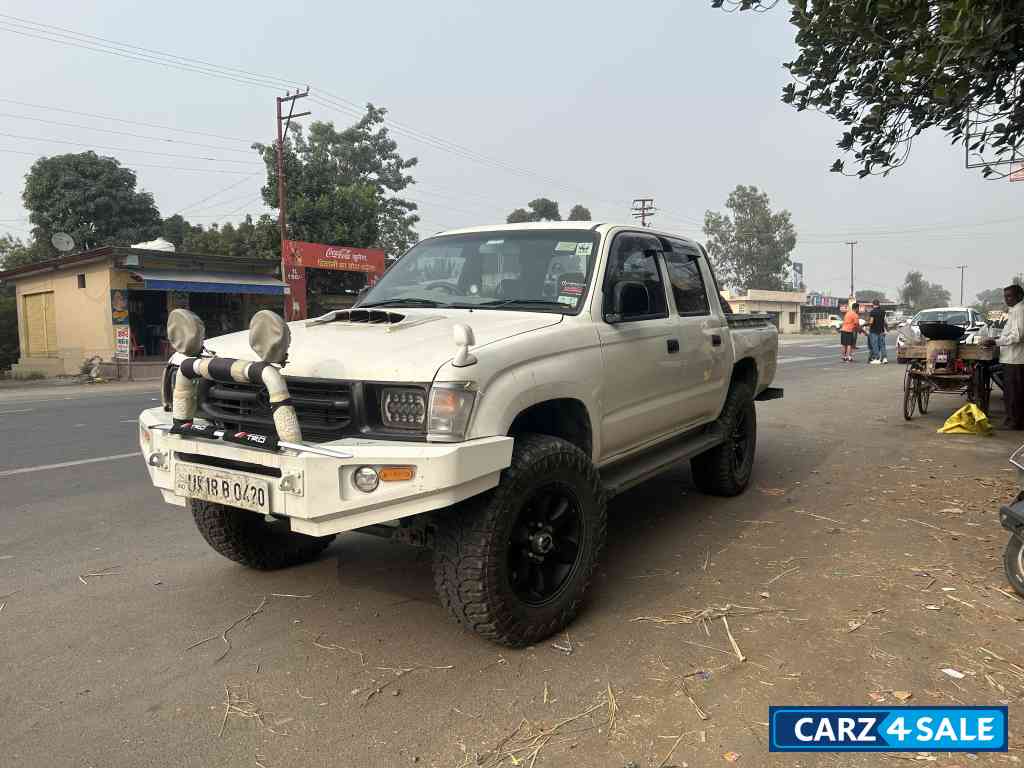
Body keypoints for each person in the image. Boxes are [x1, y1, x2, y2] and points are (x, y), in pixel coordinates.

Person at [983, 284, 1024, 429]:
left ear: (1019, 296)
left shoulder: (1020, 310)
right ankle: (1013, 420)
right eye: (1005, 296)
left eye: (1009, 296)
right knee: (1011, 392)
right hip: (1009, 358)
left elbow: (1017, 336)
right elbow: (1007, 332)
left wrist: (996, 341)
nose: (1006, 299)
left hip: (1016, 359)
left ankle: (1015, 423)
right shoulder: (1013, 310)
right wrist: (996, 338)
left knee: (1014, 394)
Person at [866, 299, 889, 364]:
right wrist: (887, 329)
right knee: (882, 345)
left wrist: (865, 324)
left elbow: (871, 322)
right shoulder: (883, 311)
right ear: (879, 304)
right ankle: (884, 358)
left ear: (873, 304)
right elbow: (885, 321)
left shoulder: (872, 312)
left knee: (875, 345)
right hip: (881, 330)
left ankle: (877, 358)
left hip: (874, 331)